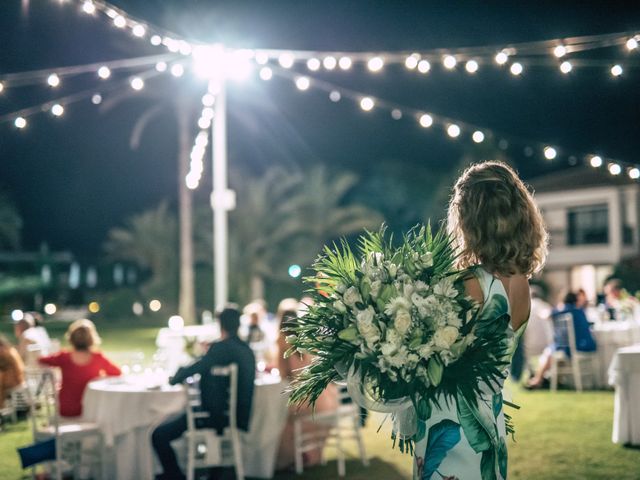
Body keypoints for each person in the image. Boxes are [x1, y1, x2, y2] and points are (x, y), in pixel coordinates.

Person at [411, 161, 548, 479]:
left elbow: (433, 358)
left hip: (452, 425)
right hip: (489, 422)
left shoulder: (469, 284)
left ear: (471, 217)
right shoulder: (521, 281)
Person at [152, 306, 256, 480]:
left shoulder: (221, 348)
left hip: (214, 416)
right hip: (239, 415)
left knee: (158, 435)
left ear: (220, 325)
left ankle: (175, 475)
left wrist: (174, 378)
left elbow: (196, 367)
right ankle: (213, 472)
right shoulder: (246, 350)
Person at [275, 305, 338, 471]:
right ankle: (309, 455)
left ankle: (291, 459)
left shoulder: (282, 340)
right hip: (324, 396)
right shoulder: (304, 338)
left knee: (280, 418)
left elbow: (282, 374)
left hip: (305, 398)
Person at [38, 319, 121, 417]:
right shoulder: (97, 358)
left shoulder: (64, 357)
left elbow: (42, 360)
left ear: (71, 338)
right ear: (92, 339)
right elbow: (117, 372)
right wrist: (99, 377)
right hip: (91, 410)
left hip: (66, 409)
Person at [527, 292, 597, 388]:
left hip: (572, 348)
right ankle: (548, 379)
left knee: (551, 350)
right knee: (553, 349)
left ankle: (538, 379)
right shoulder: (580, 311)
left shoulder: (563, 310)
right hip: (588, 345)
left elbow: (546, 315)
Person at [0, 335, 25, 409]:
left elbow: (3, 367)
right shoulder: (10, 350)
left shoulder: (5, 352)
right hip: (15, 379)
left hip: (13, 381)